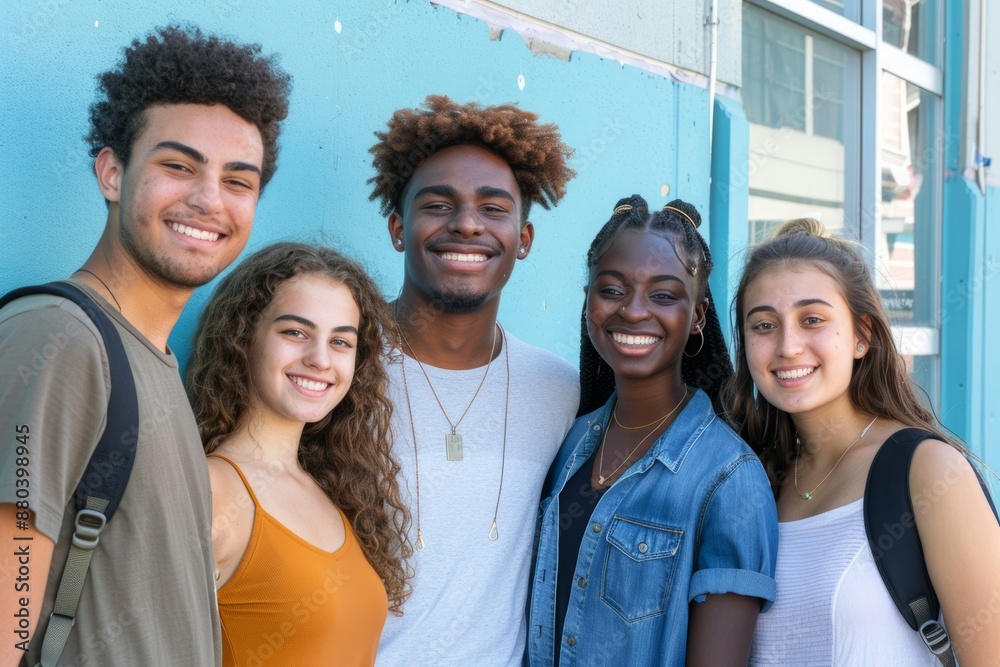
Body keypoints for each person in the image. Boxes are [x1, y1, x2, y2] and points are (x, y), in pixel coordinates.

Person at [0, 25, 290, 666]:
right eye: (178, 166)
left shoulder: (154, 363)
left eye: (239, 181)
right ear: (112, 172)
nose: (209, 199)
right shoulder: (62, 338)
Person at [724, 219, 1000, 665]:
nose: (788, 346)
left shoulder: (927, 470)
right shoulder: (753, 479)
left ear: (862, 335)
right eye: (763, 325)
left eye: (812, 319)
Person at [367, 95, 579, 665]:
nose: (466, 224)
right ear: (397, 227)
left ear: (524, 239)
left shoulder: (561, 391)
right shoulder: (337, 368)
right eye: (438, 205)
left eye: (493, 208)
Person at [527, 195, 778, 666]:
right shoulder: (569, 443)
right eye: (612, 290)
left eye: (663, 295)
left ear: (698, 315)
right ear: (589, 303)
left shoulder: (729, 480)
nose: (634, 311)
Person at [186, 242, 411, 666]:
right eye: (295, 332)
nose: (320, 359)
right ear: (245, 336)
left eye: (341, 342)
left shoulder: (334, 490)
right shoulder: (210, 490)